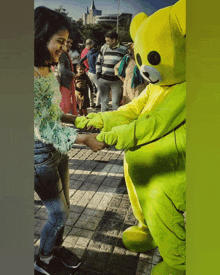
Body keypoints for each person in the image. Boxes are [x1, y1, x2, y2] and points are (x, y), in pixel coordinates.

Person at [75, 0, 186, 274]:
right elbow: (132, 110)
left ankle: (180, 262)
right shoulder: (157, 86)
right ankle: (145, 229)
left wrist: (110, 136)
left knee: (160, 199)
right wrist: (97, 119)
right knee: (138, 188)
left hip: (174, 165)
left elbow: (152, 123)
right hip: (146, 160)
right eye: (143, 59)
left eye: (154, 58)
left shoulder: (187, 89)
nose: (147, 69)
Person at [34, 7, 106, 275]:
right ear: (40, 36)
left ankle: (54, 247)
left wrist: (77, 121)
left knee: (66, 206)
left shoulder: (45, 67)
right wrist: (84, 138)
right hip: (39, 155)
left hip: (59, 150)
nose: (64, 49)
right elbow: (41, 128)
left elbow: (52, 115)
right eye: (59, 41)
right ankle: (41, 257)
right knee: (59, 214)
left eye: (67, 43)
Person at [96, 31, 128, 112]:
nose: (106, 42)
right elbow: (99, 61)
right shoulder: (104, 48)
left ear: (114, 40)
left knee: (115, 103)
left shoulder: (124, 49)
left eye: (108, 40)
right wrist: (98, 76)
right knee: (104, 102)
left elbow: (127, 64)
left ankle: (114, 121)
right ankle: (103, 120)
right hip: (103, 80)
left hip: (116, 81)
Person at [58, 37, 78, 115]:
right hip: (64, 81)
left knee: (66, 103)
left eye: (71, 43)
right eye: (68, 42)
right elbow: (62, 70)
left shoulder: (64, 53)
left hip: (66, 81)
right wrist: (73, 74)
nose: (70, 45)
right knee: (65, 104)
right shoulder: (63, 54)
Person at [81, 40, 101, 109]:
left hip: (89, 72)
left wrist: (86, 67)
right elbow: (97, 63)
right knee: (99, 89)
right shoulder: (97, 53)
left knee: (90, 88)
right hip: (95, 72)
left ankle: (91, 103)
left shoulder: (89, 52)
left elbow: (81, 60)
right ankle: (98, 104)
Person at [80, 38, 95, 107]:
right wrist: (87, 68)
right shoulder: (88, 51)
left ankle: (91, 102)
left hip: (87, 70)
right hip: (89, 70)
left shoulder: (84, 51)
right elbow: (83, 61)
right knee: (90, 87)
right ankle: (91, 102)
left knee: (89, 87)